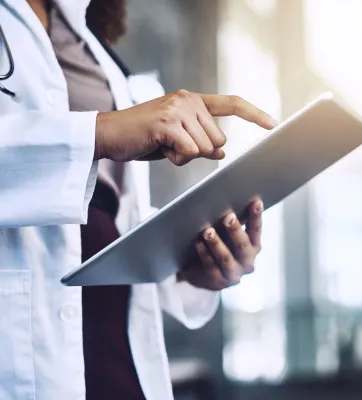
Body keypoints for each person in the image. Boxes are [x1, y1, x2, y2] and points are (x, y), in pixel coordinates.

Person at [0, 0, 277, 399]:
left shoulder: (85, 35)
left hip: (115, 355)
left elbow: (113, 213)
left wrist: (190, 265)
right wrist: (100, 132)